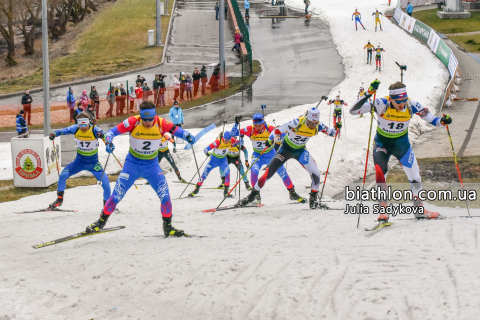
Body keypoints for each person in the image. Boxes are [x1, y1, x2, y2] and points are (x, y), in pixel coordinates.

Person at [85, 101, 196, 237]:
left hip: (152, 166)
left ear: (154, 116)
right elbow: (111, 132)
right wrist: (108, 142)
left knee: (165, 197)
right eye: (145, 119)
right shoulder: (133, 122)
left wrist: (187, 136)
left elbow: (178, 131)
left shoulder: (161, 123)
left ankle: (168, 227)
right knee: (115, 197)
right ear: (141, 116)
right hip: (132, 165)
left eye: (150, 119)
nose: (148, 123)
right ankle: (100, 223)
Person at [349, 80, 453, 221]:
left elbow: (432, 119)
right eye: (398, 101)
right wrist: (369, 93)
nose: (402, 104)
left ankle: (419, 209)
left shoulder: (412, 105)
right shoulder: (381, 103)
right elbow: (354, 111)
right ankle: (383, 210)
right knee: (380, 174)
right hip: (382, 144)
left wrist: (443, 121)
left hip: (401, 144)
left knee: (415, 177)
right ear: (391, 99)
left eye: (404, 100)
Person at [239, 108, 341, 209]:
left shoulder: (319, 126)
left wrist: (336, 128)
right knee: (268, 174)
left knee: (316, 174)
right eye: (310, 123)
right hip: (285, 150)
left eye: (314, 124)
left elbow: (332, 133)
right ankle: (252, 196)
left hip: (300, 151)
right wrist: (270, 139)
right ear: (307, 119)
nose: (312, 126)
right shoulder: (297, 122)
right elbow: (277, 130)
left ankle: (313, 201)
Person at [230, 113, 302, 204]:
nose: (258, 128)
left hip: (271, 154)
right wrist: (236, 123)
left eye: (260, 125)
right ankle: (256, 195)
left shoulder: (270, 129)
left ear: (263, 123)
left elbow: (285, 134)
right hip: (258, 155)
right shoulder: (250, 130)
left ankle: (292, 193)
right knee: (254, 171)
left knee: (282, 172)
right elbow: (232, 134)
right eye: (256, 126)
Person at [48, 112, 110, 209]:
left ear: (89, 122)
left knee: (105, 183)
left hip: (93, 164)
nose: (82, 127)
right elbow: (62, 131)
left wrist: (109, 143)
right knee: (63, 175)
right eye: (80, 125)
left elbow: (106, 136)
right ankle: (59, 199)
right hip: (79, 162)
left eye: (84, 124)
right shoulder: (75, 128)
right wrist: (54, 134)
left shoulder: (94, 129)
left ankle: (107, 205)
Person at [188, 131, 237, 198]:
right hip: (213, 160)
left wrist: (239, 143)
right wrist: (206, 153)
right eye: (225, 140)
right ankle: (196, 189)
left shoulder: (232, 140)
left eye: (228, 140)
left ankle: (226, 192)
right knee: (205, 174)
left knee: (227, 172)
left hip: (223, 160)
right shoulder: (217, 142)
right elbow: (205, 149)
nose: (227, 142)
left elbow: (239, 142)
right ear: (223, 138)